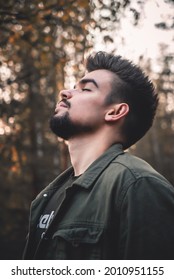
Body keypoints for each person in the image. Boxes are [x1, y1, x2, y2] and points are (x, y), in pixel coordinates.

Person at [23, 51, 174, 260]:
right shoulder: (47, 197)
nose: (65, 92)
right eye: (74, 87)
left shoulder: (138, 185)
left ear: (114, 112)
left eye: (85, 89)